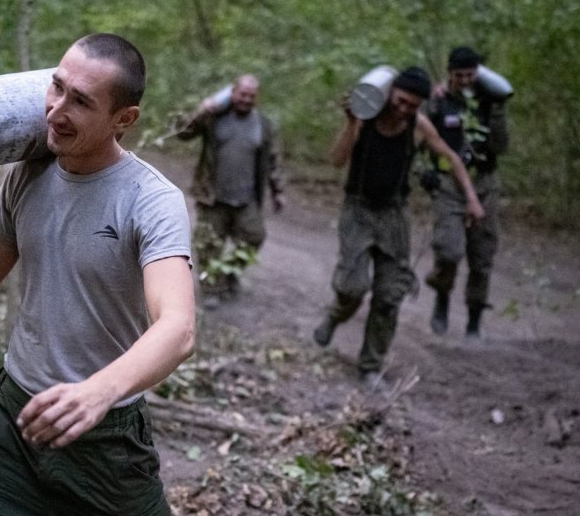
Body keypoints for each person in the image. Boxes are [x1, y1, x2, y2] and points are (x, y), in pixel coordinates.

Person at [0, 33, 195, 515]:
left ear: (124, 119)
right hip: (13, 420)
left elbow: (177, 328)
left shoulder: (151, 200)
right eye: (56, 87)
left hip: (105, 438)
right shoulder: (28, 174)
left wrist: (97, 393)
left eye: (80, 101)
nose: (55, 111)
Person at [313, 67, 485, 384]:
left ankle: (370, 366)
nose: (404, 109)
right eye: (402, 100)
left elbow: (450, 159)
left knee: (390, 294)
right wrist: (351, 122)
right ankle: (335, 316)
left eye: (412, 105)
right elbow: (337, 160)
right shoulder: (365, 118)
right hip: (358, 210)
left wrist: (471, 199)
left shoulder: (418, 126)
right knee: (352, 286)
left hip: (394, 215)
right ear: (391, 92)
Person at [175, 74, 286, 310]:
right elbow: (182, 133)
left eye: (251, 96)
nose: (246, 100)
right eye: (242, 94)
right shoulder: (213, 118)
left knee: (254, 237)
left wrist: (278, 191)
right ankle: (211, 288)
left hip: (246, 198)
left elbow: (272, 160)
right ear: (232, 92)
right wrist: (201, 110)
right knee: (207, 244)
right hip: (212, 195)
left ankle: (230, 274)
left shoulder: (263, 125)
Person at [425, 46, 511, 337]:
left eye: (470, 75)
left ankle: (474, 322)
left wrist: (497, 111)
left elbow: (500, 147)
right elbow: (418, 139)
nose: (464, 80)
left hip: (484, 182)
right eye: (459, 75)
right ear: (449, 73)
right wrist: (423, 173)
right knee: (449, 250)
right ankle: (441, 298)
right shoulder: (436, 102)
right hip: (448, 184)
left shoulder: (489, 102)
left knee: (482, 256)